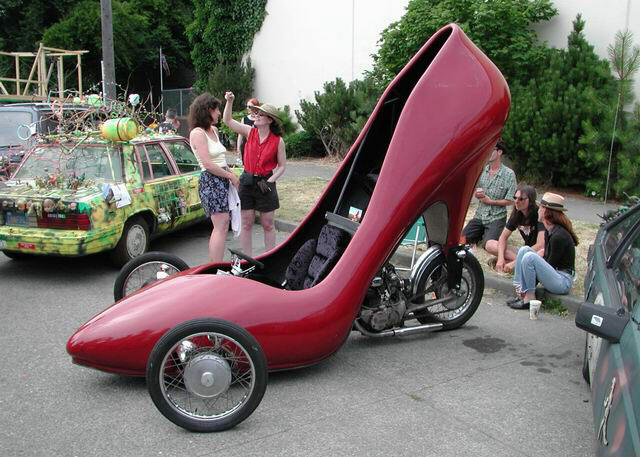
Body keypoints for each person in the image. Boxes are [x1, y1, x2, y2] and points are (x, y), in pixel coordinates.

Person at [223, 91, 286, 256]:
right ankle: (247, 260)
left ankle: (270, 258)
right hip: (247, 180)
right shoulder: (249, 132)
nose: (256, 115)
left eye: (261, 114)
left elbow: (282, 166)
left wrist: (270, 181)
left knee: (267, 224)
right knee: (246, 223)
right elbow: (227, 121)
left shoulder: (278, 141)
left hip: (266, 183)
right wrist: (230, 101)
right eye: (256, 113)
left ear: (270, 120)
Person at [188, 93, 240, 262]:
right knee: (220, 225)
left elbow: (220, 159)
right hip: (211, 181)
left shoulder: (214, 130)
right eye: (216, 109)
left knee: (224, 225)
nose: (218, 113)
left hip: (222, 179)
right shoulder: (197, 133)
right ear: (207, 110)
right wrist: (230, 176)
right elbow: (208, 164)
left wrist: (230, 174)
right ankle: (214, 266)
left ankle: (217, 264)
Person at [509, 192, 579, 309]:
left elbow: (549, 264)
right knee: (524, 249)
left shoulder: (559, 236)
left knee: (530, 257)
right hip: (555, 274)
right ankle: (520, 292)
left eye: (541, 207)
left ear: (546, 211)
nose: (538, 210)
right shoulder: (550, 231)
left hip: (562, 281)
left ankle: (529, 297)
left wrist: (534, 263)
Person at [461, 141, 517, 252]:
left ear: (499, 152)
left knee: (488, 245)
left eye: (492, 149)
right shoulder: (482, 170)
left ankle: (515, 254)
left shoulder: (509, 174)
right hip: (479, 215)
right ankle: (477, 239)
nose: (488, 151)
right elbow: (474, 190)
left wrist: (491, 201)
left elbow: (511, 200)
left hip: (496, 218)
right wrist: (477, 194)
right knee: (461, 239)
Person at [485, 184, 545, 273]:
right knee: (489, 244)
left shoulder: (539, 214)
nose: (516, 201)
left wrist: (516, 261)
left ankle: (519, 263)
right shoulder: (517, 214)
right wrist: (501, 259)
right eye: (515, 198)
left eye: (521, 199)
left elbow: (540, 245)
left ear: (531, 201)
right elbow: (503, 237)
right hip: (524, 251)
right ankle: (518, 263)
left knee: (525, 256)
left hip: (538, 253)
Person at [236, 98, 260, 165]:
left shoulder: (260, 119)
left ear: (255, 107)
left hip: (257, 146)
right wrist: (238, 148)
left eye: (249, 106)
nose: (247, 108)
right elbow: (240, 134)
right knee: (246, 165)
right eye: (247, 106)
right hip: (246, 146)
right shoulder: (244, 119)